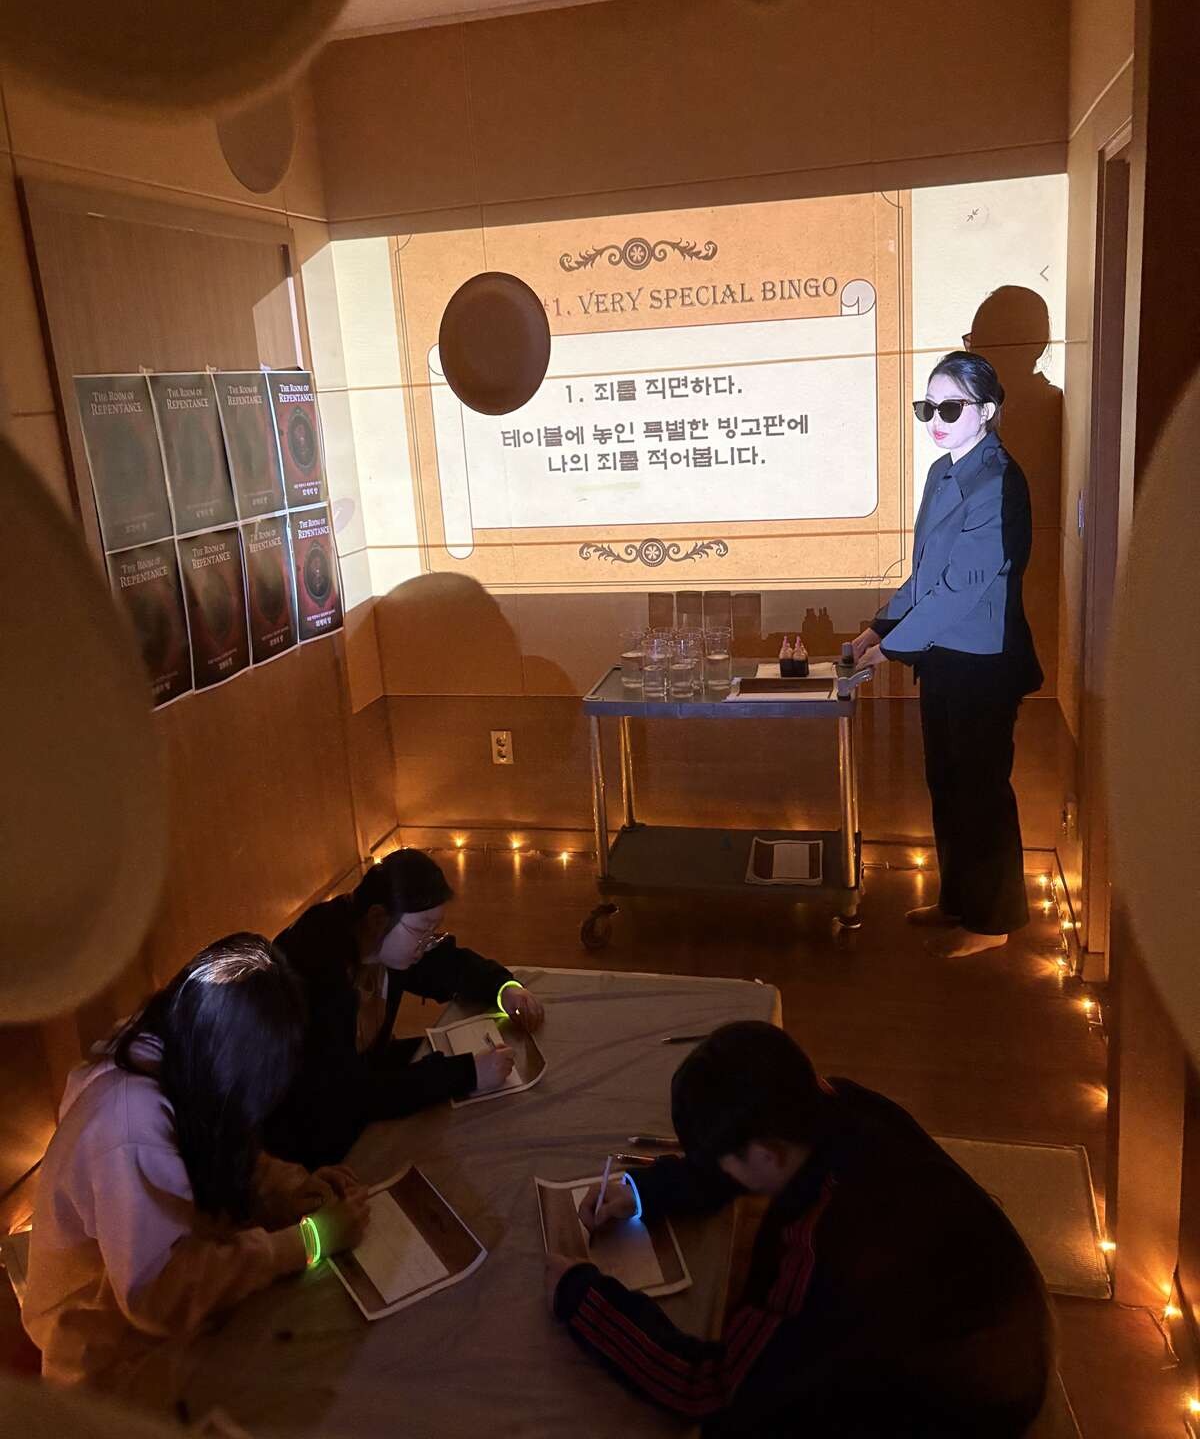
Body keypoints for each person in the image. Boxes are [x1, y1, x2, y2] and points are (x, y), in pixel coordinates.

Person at [546, 1023, 1051, 1438]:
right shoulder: (845, 1104)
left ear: (766, 1154)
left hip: (962, 1406)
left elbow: (708, 1386)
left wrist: (581, 1296)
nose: (719, 1170)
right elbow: (736, 1165)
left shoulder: (821, 1240)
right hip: (1004, 1329)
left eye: (723, 1159)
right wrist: (645, 1191)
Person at [22, 935, 369, 1392]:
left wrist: (290, 1189)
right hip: (107, 1370)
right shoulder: (128, 1126)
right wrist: (309, 1240)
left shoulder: (178, 1045)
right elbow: (159, 1296)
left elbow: (215, 1144)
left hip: (162, 1336)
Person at [852, 351, 1042, 958]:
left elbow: (964, 586)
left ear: (986, 411)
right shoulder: (942, 471)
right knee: (947, 783)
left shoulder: (1000, 480)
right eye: (927, 407)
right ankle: (957, 899)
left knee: (982, 790)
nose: (935, 420)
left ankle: (993, 922)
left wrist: (890, 648)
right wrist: (879, 626)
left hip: (982, 662)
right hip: (942, 657)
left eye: (950, 408)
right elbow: (927, 573)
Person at [268, 847, 544, 1168]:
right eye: (421, 931)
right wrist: (467, 1073)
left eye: (432, 932)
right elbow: (348, 1093)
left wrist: (504, 988)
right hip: (311, 1134)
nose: (426, 943)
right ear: (378, 918)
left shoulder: (380, 937)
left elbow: (446, 964)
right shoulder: (316, 972)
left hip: (362, 1076)